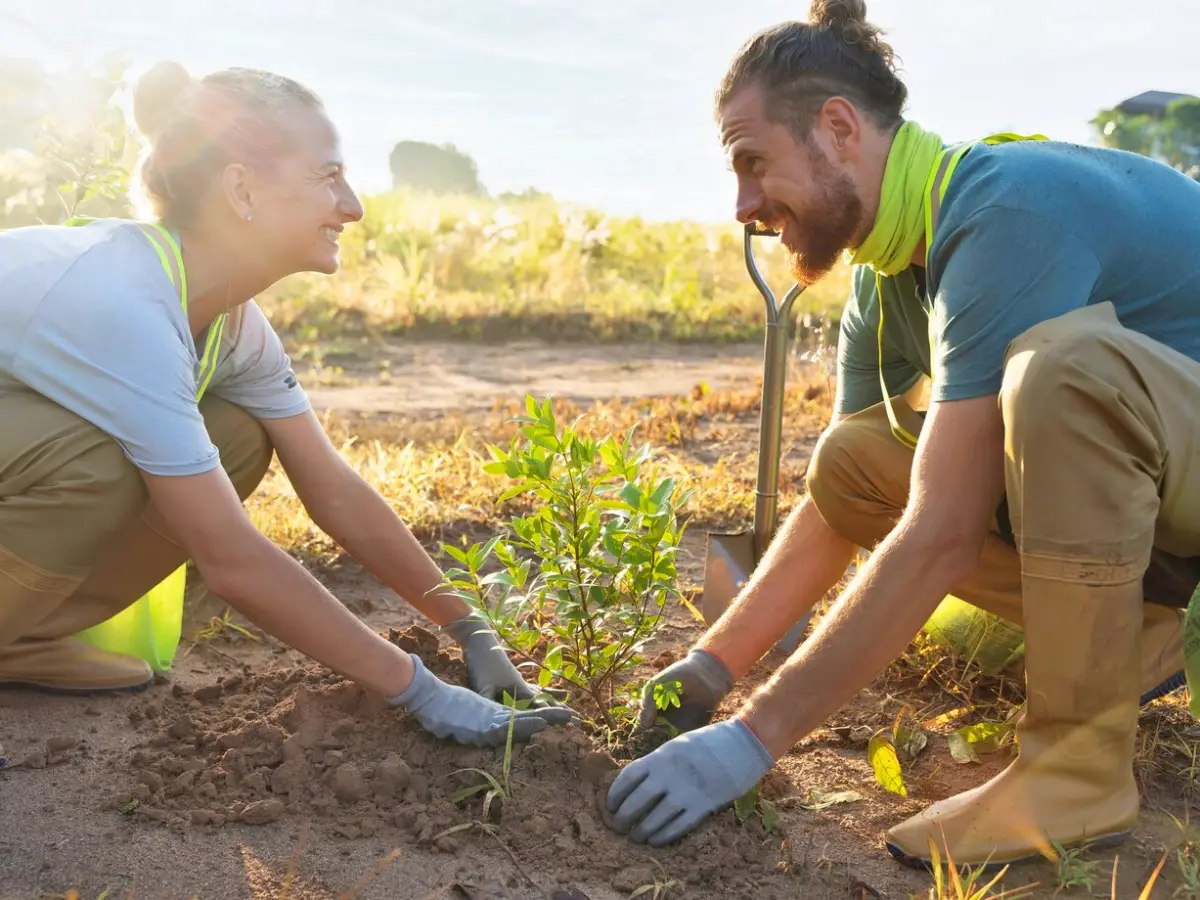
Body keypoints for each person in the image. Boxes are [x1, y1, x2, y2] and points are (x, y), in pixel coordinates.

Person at [605, 0, 1200, 868]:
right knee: (853, 458)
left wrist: (753, 740)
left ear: (838, 128)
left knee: (1064, 373)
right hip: (1168, 499)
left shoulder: (1007, 209)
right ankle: (1139, 634)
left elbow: (943, 530)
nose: (743, 204)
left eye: (753, 162)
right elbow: (846, 505)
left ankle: (1079, 769)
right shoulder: (893, 279)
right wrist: (710, 666)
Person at [0, 61, 574, 750]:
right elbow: (231, 559)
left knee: (237, 437)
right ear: (241, 188)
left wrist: (472, 629)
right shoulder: (125, 303)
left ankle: (20, 636)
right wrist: (419, 691)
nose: (353, 205)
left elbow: (332, 490)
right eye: (326, 177)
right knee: (101, 464)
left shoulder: (232, 324)